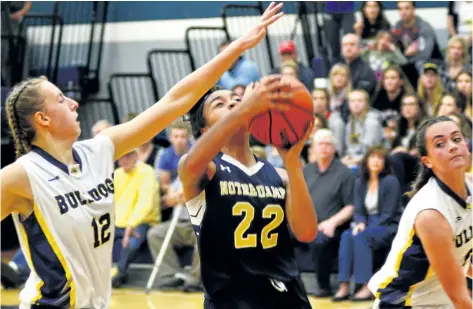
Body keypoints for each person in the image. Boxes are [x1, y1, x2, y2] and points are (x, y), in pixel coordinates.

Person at [0, 3, 284, 308]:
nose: (73, 103)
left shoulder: (100, 149)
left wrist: (238, 46)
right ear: (42, 119)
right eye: (61, 99)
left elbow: (175, 100)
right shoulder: (22, 175)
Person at [179, 77, 318, 307]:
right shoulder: (203, 169)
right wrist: (245, 108)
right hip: (231, 300)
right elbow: (192, 162)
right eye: (219, 104)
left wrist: (292, 161)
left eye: (237, 100)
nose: (233, 104)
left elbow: (307, 233)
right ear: (205, 130)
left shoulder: (280, 175)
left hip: (288, 297)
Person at [369, 116, 473, 309]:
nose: (452, 146)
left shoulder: (470, 186)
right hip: (405, 303)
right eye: (440, 144)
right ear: (427, 161)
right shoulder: (431, 213)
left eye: (457, 139)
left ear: (467, 146)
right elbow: (460, 298)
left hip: (440, 300)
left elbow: (461, 259)